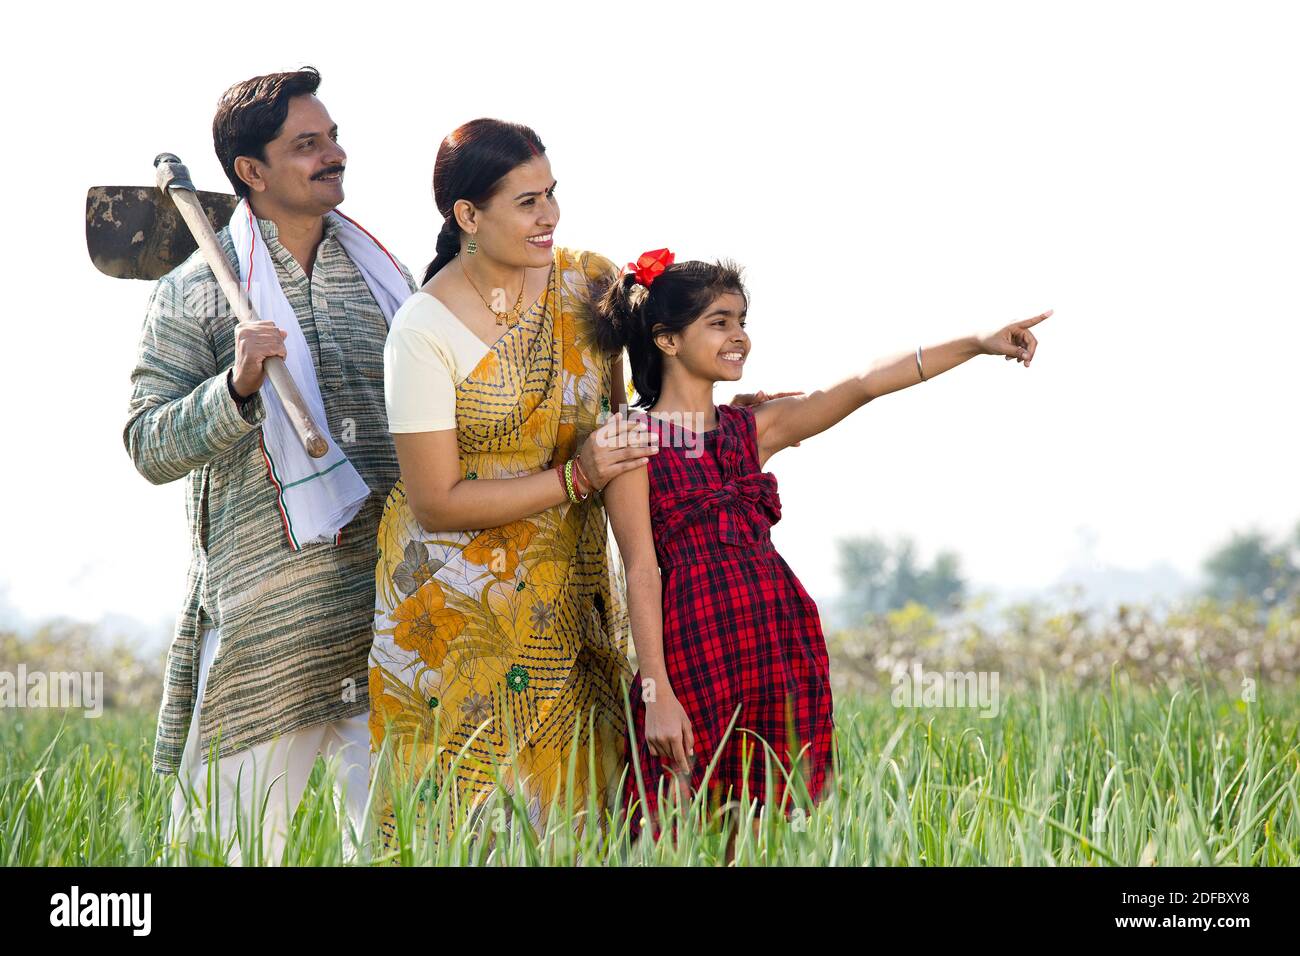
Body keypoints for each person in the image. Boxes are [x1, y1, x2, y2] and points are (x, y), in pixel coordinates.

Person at [368, 120, 792, 849]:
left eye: (552, 194)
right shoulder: (422, 330)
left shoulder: (587, 285)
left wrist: (715, 410)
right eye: (527, 202)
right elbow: (436, 499)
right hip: (453, 617)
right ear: (468, 217)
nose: (550, 216)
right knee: (464, 833)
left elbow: (667, 364)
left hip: (573, 601)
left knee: (580, 823)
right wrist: (575, 477)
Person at [596, 248, 1052, 860]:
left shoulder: (751, 429)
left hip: (775, 648)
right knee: (665, 832)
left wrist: (975, 342)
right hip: (690, 659)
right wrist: (656, 692)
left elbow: (865, 384)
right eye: (720, 322)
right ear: (667, 340)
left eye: (742, 320)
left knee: (758, 839)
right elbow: (642, 571)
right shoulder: (633, 441)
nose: (740, 337)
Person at [123, 66, 414, 865]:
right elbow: (148, 445)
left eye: (334, 139)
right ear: (252, 172)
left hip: (390, 612)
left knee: (403, 848)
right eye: (308, 145)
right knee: (228, 849)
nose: (335, 156)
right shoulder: (195, 295)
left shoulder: (394, 287)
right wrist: (237, 386)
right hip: (264, 617)